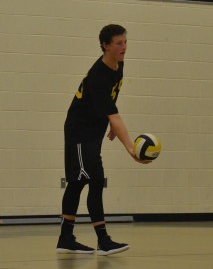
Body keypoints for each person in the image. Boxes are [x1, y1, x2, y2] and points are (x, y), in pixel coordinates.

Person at [56, 24, 150, 256]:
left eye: (125, 42)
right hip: (80, 132)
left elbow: (110, 102)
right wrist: (131, 148)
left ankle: (66, 238)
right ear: (105, 46)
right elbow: (114, 112)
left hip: (92, 130)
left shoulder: (118, 64)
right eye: (118, 43)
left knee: (78, 182)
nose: (124, 47)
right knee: (95, 180)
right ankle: (103, 240)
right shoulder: (97, 76)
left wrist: (109, 123)